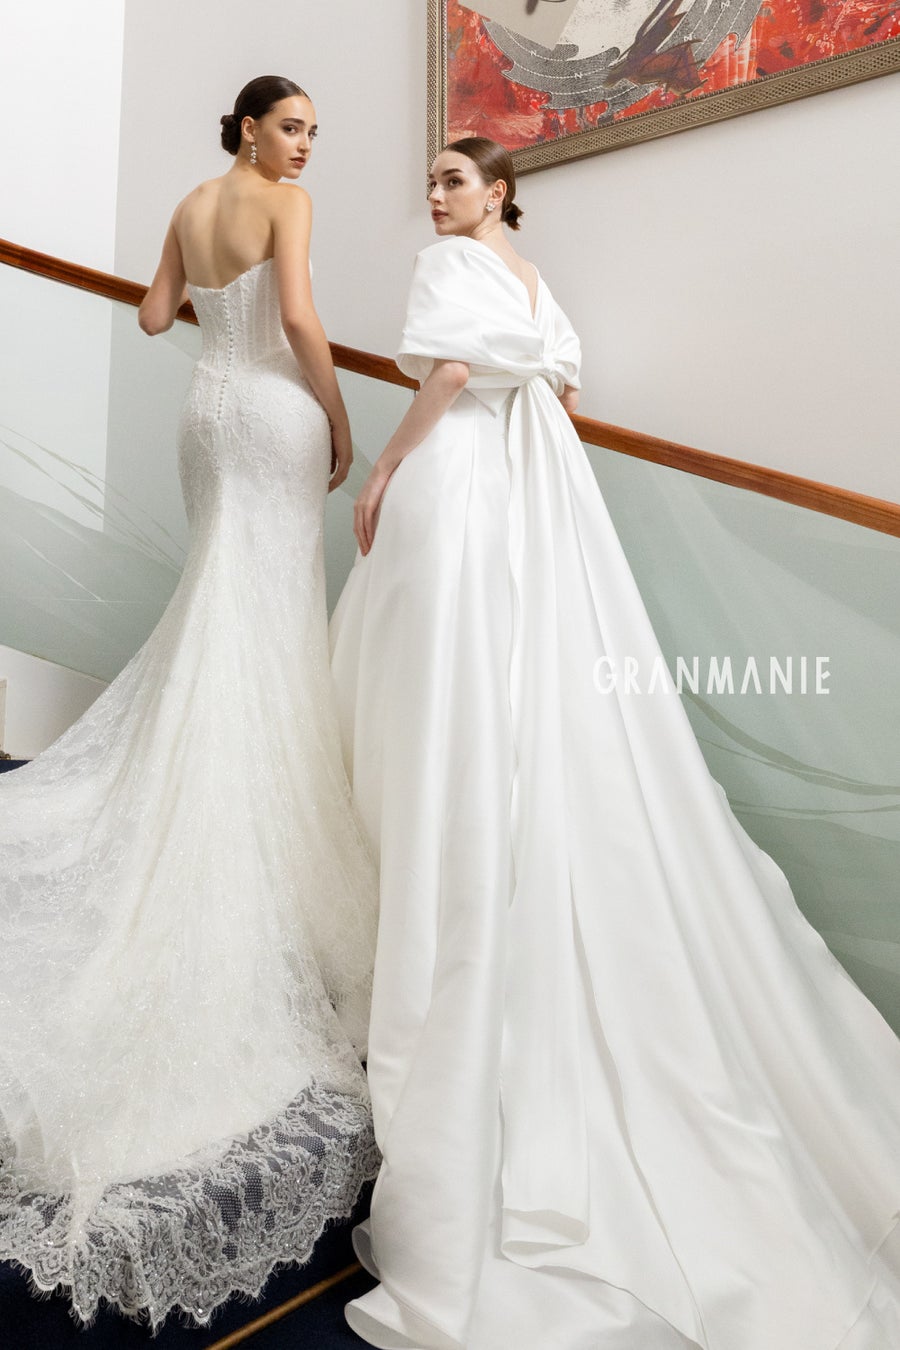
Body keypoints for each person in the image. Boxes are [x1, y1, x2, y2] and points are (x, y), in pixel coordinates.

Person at [330, 137, 900, 1349]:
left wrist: (385, 466)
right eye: (432, 181)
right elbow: (558, 399)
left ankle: (425, 896)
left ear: (498, 192)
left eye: (453, 180)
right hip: (516, 502)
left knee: (431, 695)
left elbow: (446, 378)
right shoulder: (534, 285)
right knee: (499, 697)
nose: (435, 195)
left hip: (452, 485)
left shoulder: (449, 271)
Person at [0, 76, 379, 1327]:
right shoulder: (286, 205)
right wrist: (338, 419)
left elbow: (157, 315)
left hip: (206, 415)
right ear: (250, 128)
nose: (303, 145)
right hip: (272, 412)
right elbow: (305, 319)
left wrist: (217, 315)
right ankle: (246, 822)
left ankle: (200, 788)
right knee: (261, 617)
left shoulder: (188, 201)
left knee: (221, 606)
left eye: (311, 133)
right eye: (291, 127)